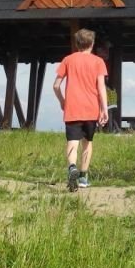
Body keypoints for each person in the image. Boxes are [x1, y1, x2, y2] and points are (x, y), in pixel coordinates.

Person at [53, 28, 109, 191]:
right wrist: (104, 109)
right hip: (91, 109)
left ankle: (72, 167)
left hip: (72, 108)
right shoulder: (98, 62)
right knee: (87, 143)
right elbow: (101, 88)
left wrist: (62, 101)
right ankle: (83, 177)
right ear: (92, 44)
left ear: (77, 43)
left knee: (72, 142)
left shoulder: (68, 60)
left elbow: (56, 85)